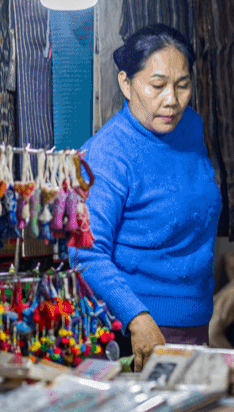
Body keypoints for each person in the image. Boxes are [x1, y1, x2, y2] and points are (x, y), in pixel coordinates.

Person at [72, 23, 221, 369]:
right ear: (126, 83)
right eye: (158, 86)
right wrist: (137, 318)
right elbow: (85, 252)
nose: (172, 100)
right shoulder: (106, 155)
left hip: (196, 324)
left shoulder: (190, 127)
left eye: (182, 86)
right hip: (135, 330)